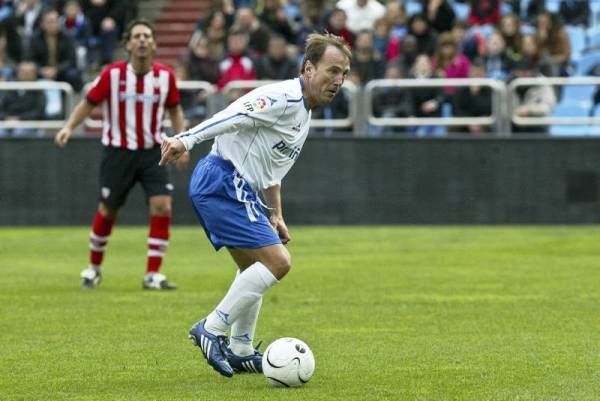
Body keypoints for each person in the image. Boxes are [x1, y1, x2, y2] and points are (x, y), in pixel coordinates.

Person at [159, 32, 351, 377]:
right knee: (278, 262)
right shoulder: (284, 97)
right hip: (223, 179)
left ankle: (241, 348)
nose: (338, 81)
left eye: (344, 74)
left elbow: (272, 169)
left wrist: (276, 213)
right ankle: (211, 328)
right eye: (332, 70)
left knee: (253, 268)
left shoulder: (304, 110)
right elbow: (232, 116)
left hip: (232, 185)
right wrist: (185, 139)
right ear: (308, 68)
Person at [54, 19, 187, 290]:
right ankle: (93, 268)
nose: (141, 40)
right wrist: (68, 127)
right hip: (118, 152)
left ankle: (153, 274)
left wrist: (182, 141)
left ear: (154, 44)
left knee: (163, 205)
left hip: (153, 152)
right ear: (127, 44)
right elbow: (88, 103)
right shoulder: (112, 75)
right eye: (136, 36)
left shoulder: (165, 77)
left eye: (146, 36)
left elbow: (175, 110)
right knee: (108, 209)